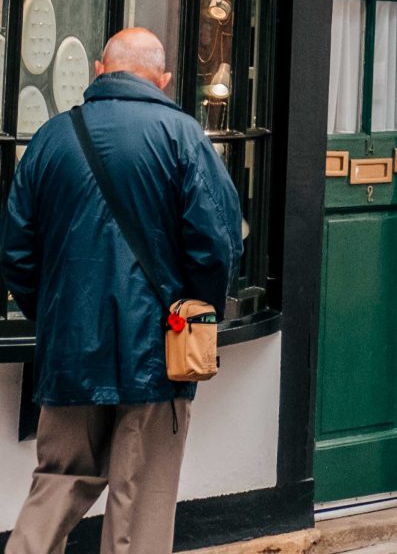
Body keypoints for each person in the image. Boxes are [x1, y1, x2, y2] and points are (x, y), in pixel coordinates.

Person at [0, 27, 243, 554]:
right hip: (157, 352)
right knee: (140, 505)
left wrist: (56, 315)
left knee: (57, 484)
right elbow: (218, 245)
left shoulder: (50, 138)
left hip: (69, 349)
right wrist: (197, 314)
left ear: (98, 70)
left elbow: (15, 252)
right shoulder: (184, 136)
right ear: (165, 79)